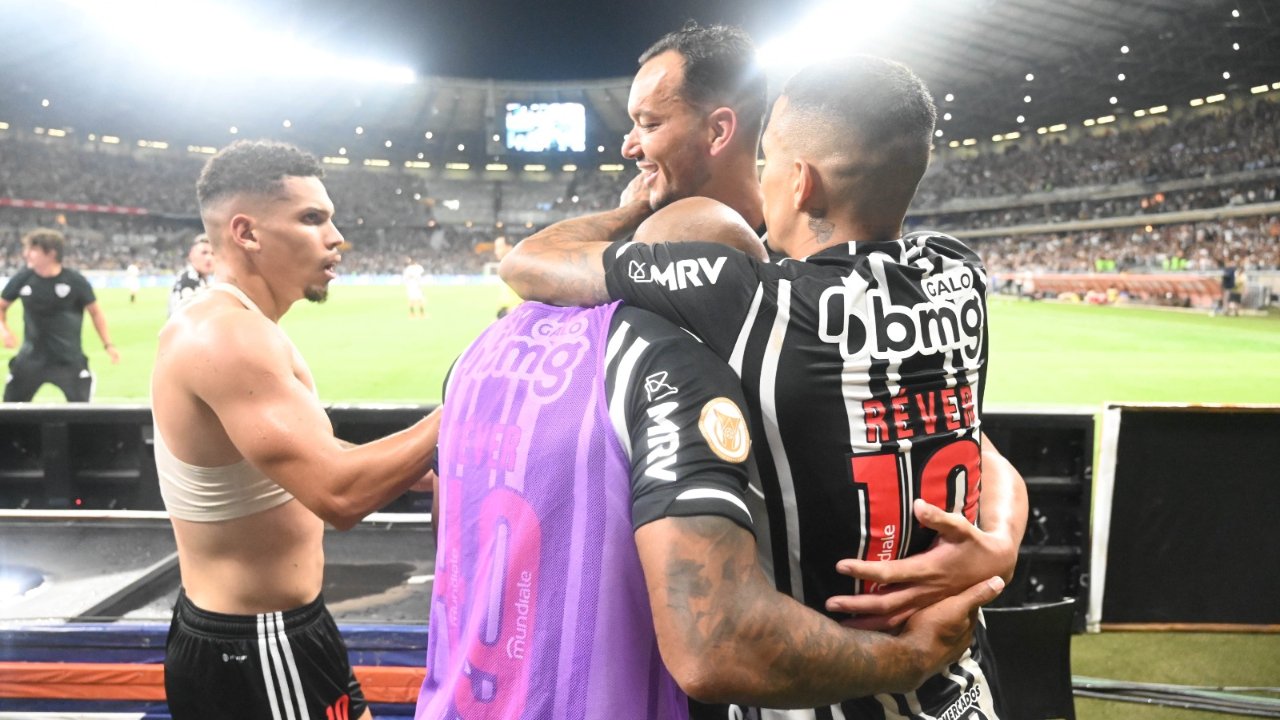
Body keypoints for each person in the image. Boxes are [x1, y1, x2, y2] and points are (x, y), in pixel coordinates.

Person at [501, 55, 1027, 719]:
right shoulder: (961, 277)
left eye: (768, 159)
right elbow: (977, 441)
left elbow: (528, 263)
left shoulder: (753, 302)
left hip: (833, 692)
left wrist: (628, 208)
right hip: (965, 691)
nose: (760, 175)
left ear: (801, 184)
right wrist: (999, 546)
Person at [417, 213, 1004, 718]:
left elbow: (450, 539)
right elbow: (713, 644)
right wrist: (909, 660)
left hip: (459, 695)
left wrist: (998, 539)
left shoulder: (476, 358)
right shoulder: (675, 370)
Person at [151, 140, 441, 720]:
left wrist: (414, 473)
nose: (336, 238)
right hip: (258, 644)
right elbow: (339, 494)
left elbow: (292, 453)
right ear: (247, 233)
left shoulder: (232, 325)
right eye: (312, 219)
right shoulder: (229, 337)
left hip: (262, 632)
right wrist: (472, 397)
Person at [1, 228, 120, 402]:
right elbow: (1, 307)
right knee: (9, 413)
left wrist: (108, 345)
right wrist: (4, 331)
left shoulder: (75, 281)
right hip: (31, 359)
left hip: (68, 360)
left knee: (83, 417)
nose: (26, 254)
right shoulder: (23, 279)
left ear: (50, 253)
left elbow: (96, 313)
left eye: (33, 250)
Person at [168, 233, 215, 316]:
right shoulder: (188, 281)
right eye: (204, 253)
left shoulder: (198, 278)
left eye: (213, 253)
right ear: (191, 255)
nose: (209, 258)